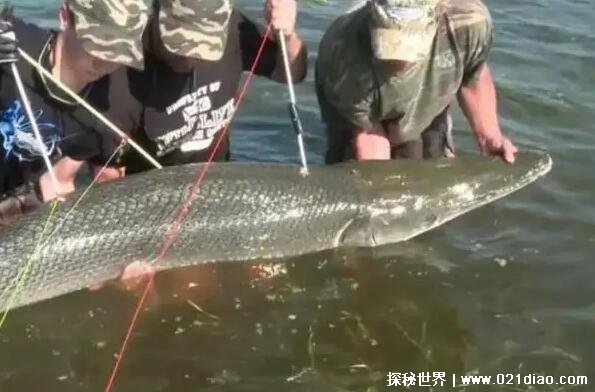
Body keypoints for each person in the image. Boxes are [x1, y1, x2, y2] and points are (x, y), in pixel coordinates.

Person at [82, 0, 308, 184]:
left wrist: (286, 36)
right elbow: (107, 175)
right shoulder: (123, 73)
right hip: (150, 189)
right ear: (159, 18)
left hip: (218, 176)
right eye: (181, 42)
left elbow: (293, 74)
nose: (191, 57)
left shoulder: (234, 30)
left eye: (204, 44)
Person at [0, 0, 149, 226]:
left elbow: (59, 179)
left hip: (14, 199)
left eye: (119, 52)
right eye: (98, 45)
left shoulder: (105, 109)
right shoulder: (14, 44)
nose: (106, 62)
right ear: (64, 17)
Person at [315, 0, 518, 164]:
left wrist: (489, 137)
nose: (400, 57)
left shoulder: (470, 24)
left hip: (427, 92)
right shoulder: (344, 52)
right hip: (359, 95)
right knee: (360, 182)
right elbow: (368, 138)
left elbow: (473, 76)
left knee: (433, 171)